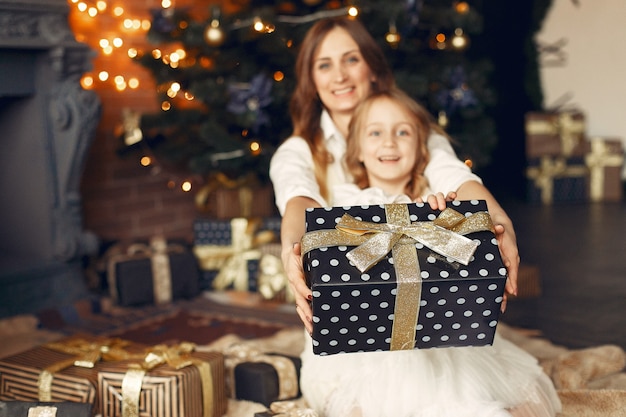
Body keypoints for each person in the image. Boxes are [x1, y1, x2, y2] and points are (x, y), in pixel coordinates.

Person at [300, 88, 562, 417]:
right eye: (375, 132)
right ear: (357, 151)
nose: (390, 142)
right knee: (374, 399)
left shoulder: (436, 200)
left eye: (403, 132)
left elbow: (464, 259)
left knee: (486, 391)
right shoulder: (346, 204)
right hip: (365, 338)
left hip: (437, 329)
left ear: (422, 149)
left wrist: (441, 217)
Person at [269, 16, 519, 336]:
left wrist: (497, 218)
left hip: (429, 309)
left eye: (351, 59)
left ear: (372, 68)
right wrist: (292, 252)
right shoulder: (297, 151)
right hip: (353, 315)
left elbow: (453, 176)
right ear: (311, 80)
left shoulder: (414, 132)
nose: (340, 76)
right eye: (324, 65)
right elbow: (299, 202)